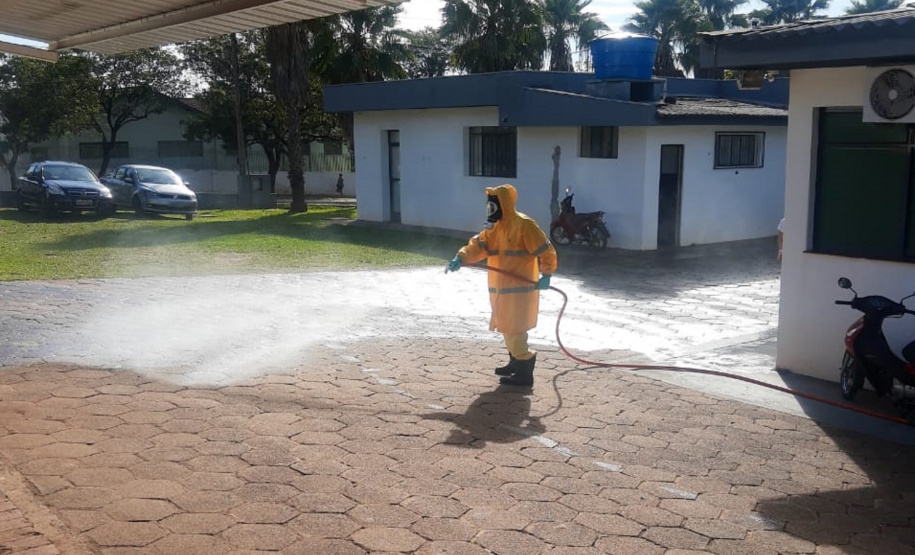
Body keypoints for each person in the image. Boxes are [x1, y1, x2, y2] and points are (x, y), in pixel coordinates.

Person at [446, 184, 558, 387]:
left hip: (520, 291)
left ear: (503, 204)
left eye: (493, 204)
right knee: (506, 327)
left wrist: (547, 274)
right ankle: (515, 362)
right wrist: (460, 258)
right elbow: (477, 246)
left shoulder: (524, 225)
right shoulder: (494, 228)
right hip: (500, 290)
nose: (490, 209)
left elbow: (546, 250)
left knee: (515, 329)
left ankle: (525, 370)